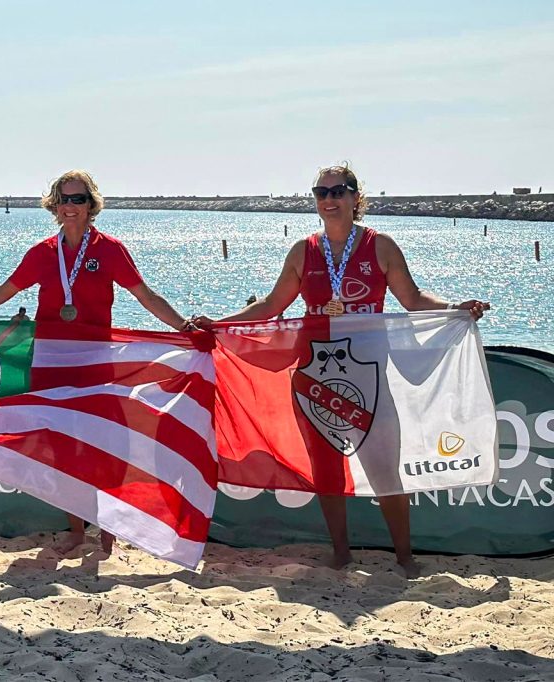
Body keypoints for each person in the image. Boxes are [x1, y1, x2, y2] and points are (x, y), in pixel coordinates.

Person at [197, 164, 489, 577]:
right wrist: (218, 324)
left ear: (356, 197)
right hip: (314, 375)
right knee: (327, 469)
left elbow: (412, 298)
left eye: (338, 191)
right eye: (321, 192)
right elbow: (271, 306)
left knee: (384, 466)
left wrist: (455, 308)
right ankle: (341, 554)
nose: (329, 199)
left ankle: (404, 557)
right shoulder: (303, 250)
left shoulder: (380, 246)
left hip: (369, 376)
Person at [0, 169, 196, 555]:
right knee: (63, 450)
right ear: (54, 207)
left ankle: (107, 531)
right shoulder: (43, 252)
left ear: (91, 205)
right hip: (51, 364)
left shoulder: (110, 250)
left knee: (102, 446)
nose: (70, 207)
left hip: (97, 362)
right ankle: (76, 531)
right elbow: (1, 293)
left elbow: (147, 296)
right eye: (63, 200)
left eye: (78, 199)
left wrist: (184, 327)